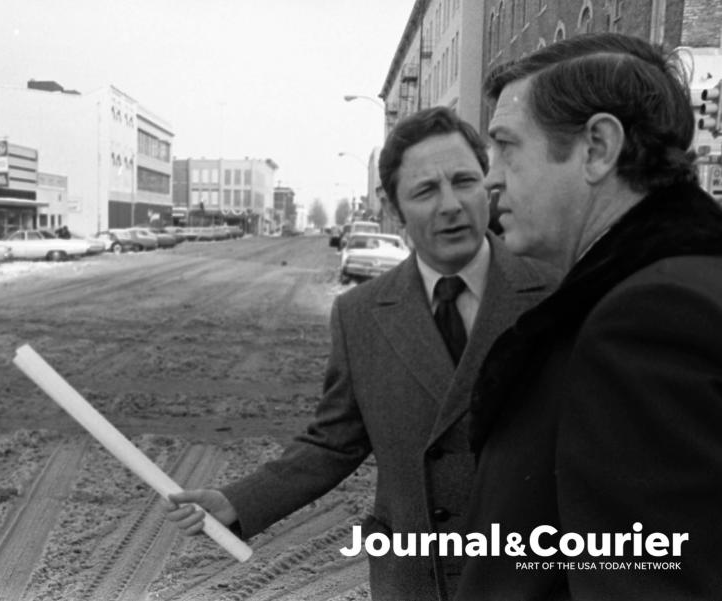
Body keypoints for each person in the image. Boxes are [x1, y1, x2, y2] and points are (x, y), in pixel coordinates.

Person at [165, 107, 557, 600]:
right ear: (393, 208)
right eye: (425, 191)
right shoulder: (362, 314)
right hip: (414, 582)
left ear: (488, 186)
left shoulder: (554, 294)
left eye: (464, 181)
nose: (451, 204)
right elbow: (335, 442)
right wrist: (236, 502)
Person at [455, 33, 722, 601]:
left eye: (506, 146)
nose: (490, 178)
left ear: (598, 147)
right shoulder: (672, 288)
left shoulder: (646, 323)